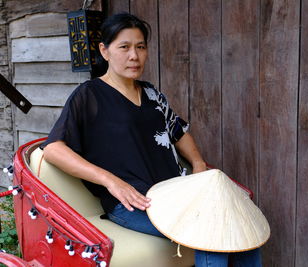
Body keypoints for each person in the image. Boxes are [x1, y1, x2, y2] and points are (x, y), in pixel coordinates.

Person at [42, 13, 262, 267]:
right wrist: (111, 181)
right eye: (124, 47)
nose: (134, 56)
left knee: (243, 230)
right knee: (210, 235)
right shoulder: (89, 95)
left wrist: (199, 165)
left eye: (140, 47)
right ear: (105, 51)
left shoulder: (151, 93)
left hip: (176, 195)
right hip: (134, 202)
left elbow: (178, 131)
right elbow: (54, 149)